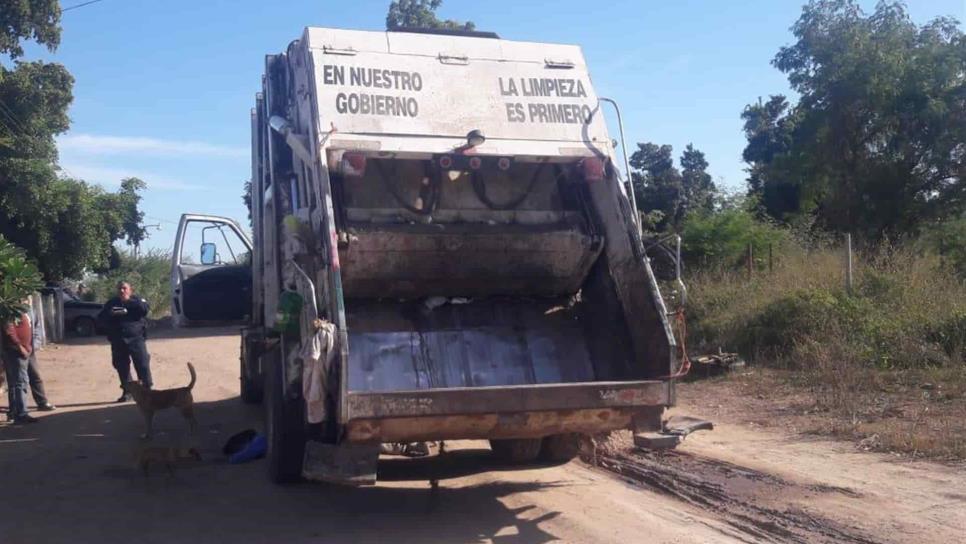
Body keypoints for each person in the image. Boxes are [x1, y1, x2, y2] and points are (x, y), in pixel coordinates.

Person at [97, 281, 153, 402]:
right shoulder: (111, 303)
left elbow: (144, 310)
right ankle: (128, 392)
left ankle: (147, 390)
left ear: (130, 290)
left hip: (136, 338)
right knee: (122, 367)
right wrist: (110, 314)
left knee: (142, 364)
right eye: (119, 289)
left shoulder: (137, 300)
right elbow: (101, 318)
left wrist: (129, 301)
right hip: (118, 339)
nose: (122, 291)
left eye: (124, 288)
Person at [2, 308, 39, 424]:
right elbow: (9, 331)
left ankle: (14, 412)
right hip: (16, 352)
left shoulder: (24, 312)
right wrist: (20, 347)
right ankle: (21, 413)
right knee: (21, 382)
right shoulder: (11, 312)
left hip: (22, 350)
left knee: (15, 383)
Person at [25, 298, 55, 412]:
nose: (27, 300)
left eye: (28, 297)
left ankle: (42, 402)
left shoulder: (31, 311)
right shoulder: (10, 312)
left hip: (30, 350)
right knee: (16, 381)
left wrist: (35, 344)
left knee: (35, 376)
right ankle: (16, 409)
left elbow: (37, 329)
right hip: (14, 350)